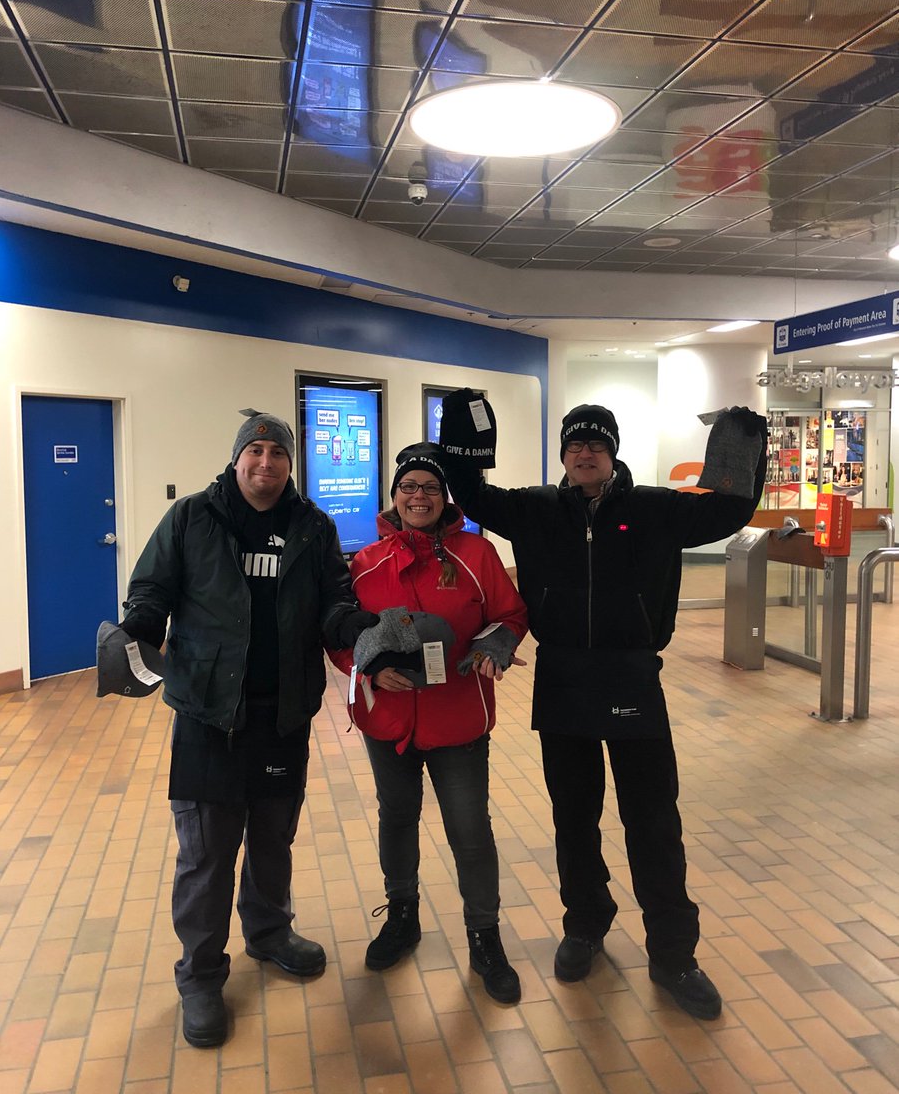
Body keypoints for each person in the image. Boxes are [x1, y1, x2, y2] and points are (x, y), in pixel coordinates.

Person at [436, 395, 767, 1020]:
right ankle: (586, 924)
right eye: (574, 443)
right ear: (563, 453)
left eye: (596, 442)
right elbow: (471, 494)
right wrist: (462, 434)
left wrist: (744, 444)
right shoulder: (533, 510)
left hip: (633, 678)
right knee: (574, 817)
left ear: (613, 452)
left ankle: (674, 955)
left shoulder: (656, 510)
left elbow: (728, 508)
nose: (584, 452)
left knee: (652, 823)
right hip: (562, 681)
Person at [119, 410, 376, 1047]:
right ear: (237, 459)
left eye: (277, 453)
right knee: (206, 854)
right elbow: (151, 590)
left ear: (291, 464)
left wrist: (362, 631)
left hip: (283, 714)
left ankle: (268, 932)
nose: (266, 463)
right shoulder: (192, 519)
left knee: (271, 837)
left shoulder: (312, 526)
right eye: (255, 451)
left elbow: (335, 602)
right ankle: (200, 975)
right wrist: (140, 633)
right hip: (209, 716)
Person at [329, 443, 529, 1004]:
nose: (418, 497)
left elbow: (510, 614)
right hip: (387, 720)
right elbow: (341, 635)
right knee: (396, 818)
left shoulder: (476, 553)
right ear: (393, 497)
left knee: (469, 829)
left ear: (445, 499)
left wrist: (497, 645)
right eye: (408, 488)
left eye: (429, 489)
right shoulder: (366, 562)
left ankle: (485, 938)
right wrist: (366, 669)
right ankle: (402, 916)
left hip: (459, 718)